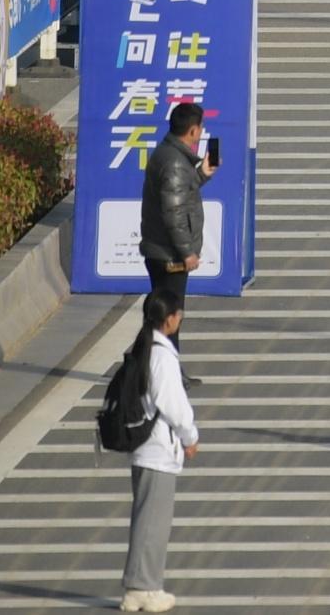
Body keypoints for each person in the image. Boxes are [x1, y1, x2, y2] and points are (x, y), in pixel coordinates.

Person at [115, 300, 195, 615]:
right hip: (158, 448)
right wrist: (191, 436)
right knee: (153, 522)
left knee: (149, 519)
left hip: (146, 448)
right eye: (179, 315)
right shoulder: (161, 355)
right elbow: (172, 403)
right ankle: (141, 588)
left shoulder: (144, 346)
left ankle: (144, 585)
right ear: (170, 319)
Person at [137, 98, 207, 326]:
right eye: (200, 128)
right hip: (169, 256)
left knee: (159, 319)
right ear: (193, 130)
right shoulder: (176, 163)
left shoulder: (168, 154)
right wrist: (187, 252)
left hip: (160, 250)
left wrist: (202, 175)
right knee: (169, 321)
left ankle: (151, 358)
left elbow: (176, 194)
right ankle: (162, 361)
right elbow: (174, 213)